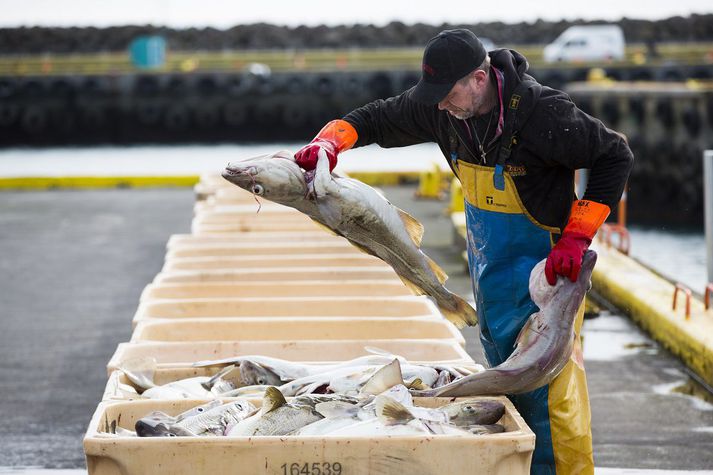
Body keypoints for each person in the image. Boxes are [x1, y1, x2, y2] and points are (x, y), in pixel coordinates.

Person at [294, 28, 633, 474]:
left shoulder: (544, 115)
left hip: (546, 277)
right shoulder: (443, 111)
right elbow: (375, 118)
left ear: (479, 78)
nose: (439, 104)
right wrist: (329, 142)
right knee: (505, 389)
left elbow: (614, 156)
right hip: (490, 276)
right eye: (433, 94)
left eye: (448, 92)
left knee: (553, 397)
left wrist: (577, 236)